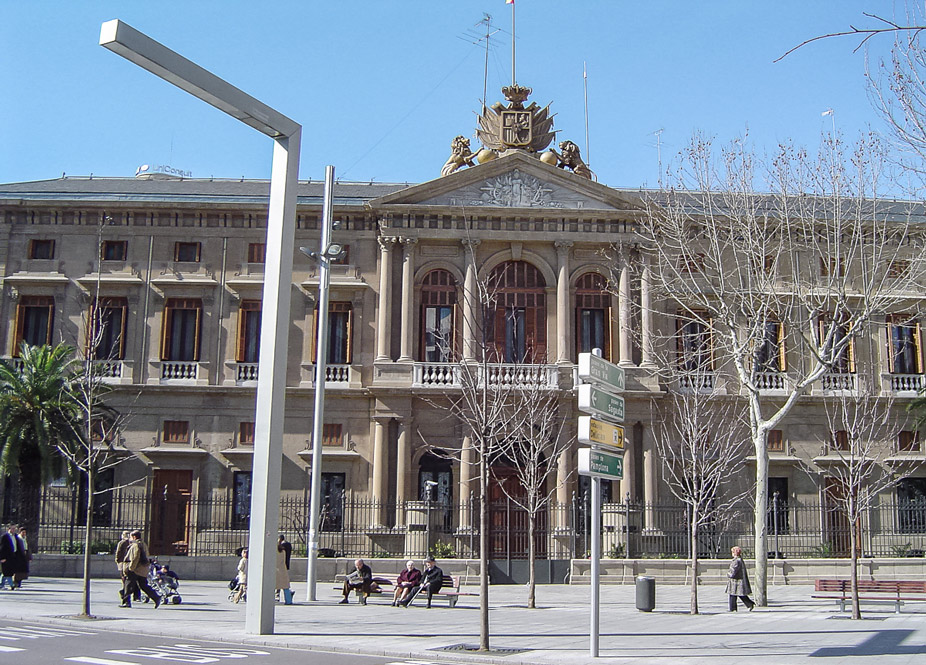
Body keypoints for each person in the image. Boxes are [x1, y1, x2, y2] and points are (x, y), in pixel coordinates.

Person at [124, 530, 160, 608]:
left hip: (136, 569)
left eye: (130, 537)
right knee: (143, 585)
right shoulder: (144, 544)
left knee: (128, 585)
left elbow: (135, 557)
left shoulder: (135, 545)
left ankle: (126, 602)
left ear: (134, 537)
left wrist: (131, 568)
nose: (129, 538)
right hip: (143, 569)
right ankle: (156, 597)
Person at [726, 545, 755, 612]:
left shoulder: (736, 561)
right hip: (737, 580)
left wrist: (729, 574)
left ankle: (733, 608)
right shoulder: (739, 560)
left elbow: (733, 570)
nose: (732, 553)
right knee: (738, 594)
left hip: (736, 581)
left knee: (733, 594)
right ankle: (749, 604)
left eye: (732, 552)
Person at [0, 525, 20, 590]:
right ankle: (11, 585)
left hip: (13, 556)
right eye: (13, 528)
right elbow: (2, 548)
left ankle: (2, 584)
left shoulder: (15, 536)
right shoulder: (5, 537)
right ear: (9, 529)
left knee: (8, 572)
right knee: (6, 572)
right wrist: (2, 557)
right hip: (6, 556)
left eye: (15, 528)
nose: (14, 530)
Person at [276, 539, 292, 604]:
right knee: (285, 587)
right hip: (282, 569)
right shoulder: (283, 551)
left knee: (271, 587)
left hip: (275, 570)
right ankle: (288, 601)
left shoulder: (273, 552)